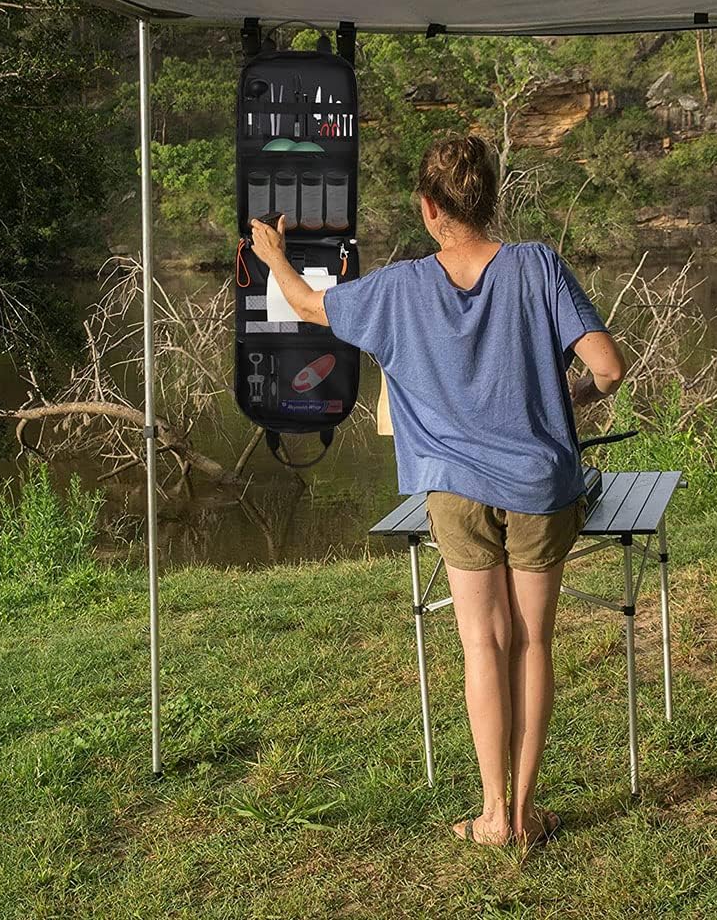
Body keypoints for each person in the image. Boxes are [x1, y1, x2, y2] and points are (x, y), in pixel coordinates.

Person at [250, 135, 626, 848]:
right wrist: (565, 394)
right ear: (489, 198)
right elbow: (607, 367)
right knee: (533, 643)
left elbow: (305, 303)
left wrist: (273, 254)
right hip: (541, 488)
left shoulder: (397, 290)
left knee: (483, 645)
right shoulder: (536, 264)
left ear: (427, 208)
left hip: (453, 492)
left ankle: (492, 817)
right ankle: (524, 812)